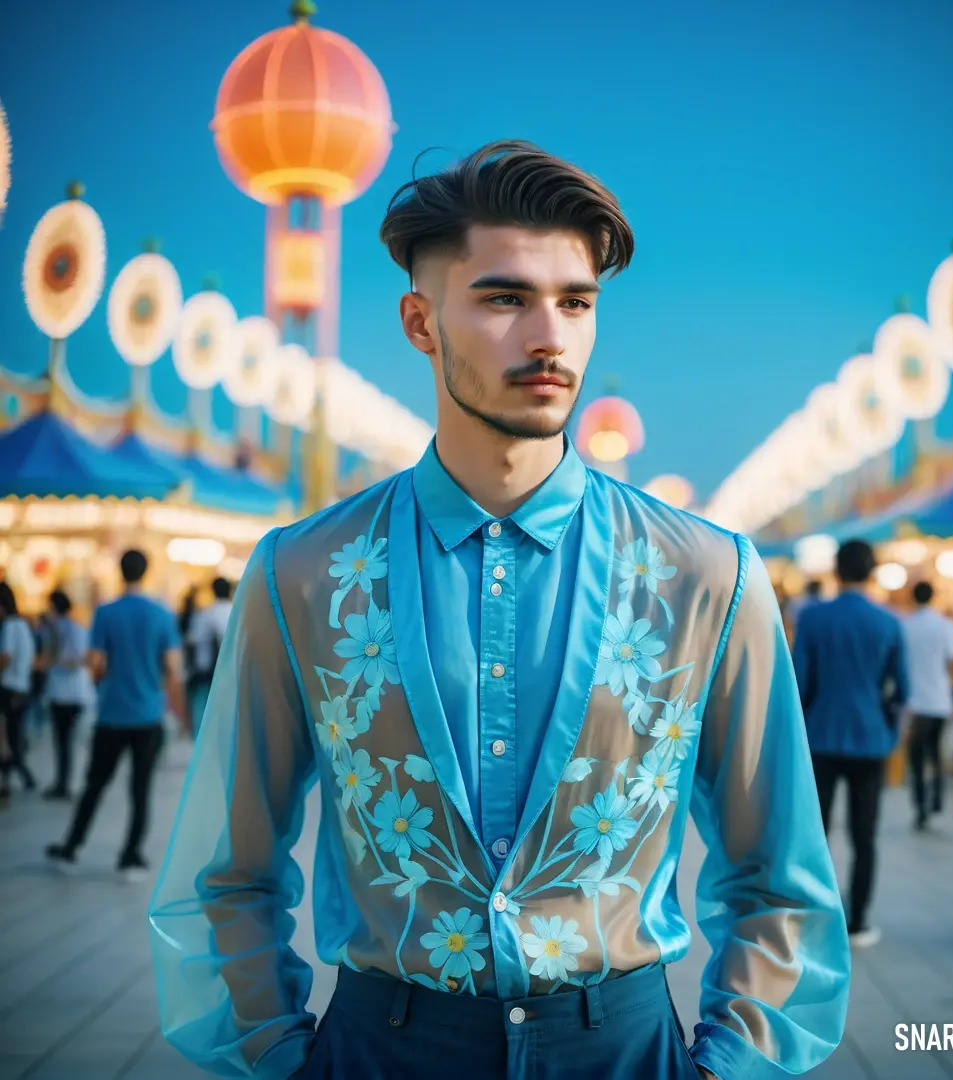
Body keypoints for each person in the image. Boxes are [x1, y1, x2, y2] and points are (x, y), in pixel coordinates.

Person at [149, 141, 850, 1080]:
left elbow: (780, 878)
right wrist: (278, 1058)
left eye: (576, 301)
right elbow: (226, 872)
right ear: (420, 322)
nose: (549, 336)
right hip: (380, 1047)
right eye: (505, 298)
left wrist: (730, 1065)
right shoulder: (306, 573)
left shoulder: (704, 574)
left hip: (625, 1046)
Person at [792, 539, 909, 949]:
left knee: (814, 834)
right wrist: (888, 729)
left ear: (836, 572)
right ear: (872, 571)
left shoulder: (812, 619)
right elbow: (902, 690)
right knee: (865, 835)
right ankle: (858, 921)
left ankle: (812, 917)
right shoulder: (889, 622)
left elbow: (799, 685)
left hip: (821, 737)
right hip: (870, 740)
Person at [46, 549, 186, 879]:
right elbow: (172, 667)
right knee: (141, 789)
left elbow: (95, 663)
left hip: (111, 714)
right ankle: (130, 856)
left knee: (95, 784)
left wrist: (102, 683)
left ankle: (71, 848)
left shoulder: (105, 613)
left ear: (121, 572)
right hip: (148, 715)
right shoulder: (162, 614)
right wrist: (175, 709)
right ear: (146, 571)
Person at [902, 581, 953, 830]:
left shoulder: (905, 625)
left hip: (913, 702)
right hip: (939, 699)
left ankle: (920, 805)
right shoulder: (946, 626)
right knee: (936, 752)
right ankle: (937, 797)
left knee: (916, 757)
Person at [41, 589, 93, 800]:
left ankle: (64, 782)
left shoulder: (61, 629)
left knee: (63, 741)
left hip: (65, 692)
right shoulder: (72, 629)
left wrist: (55, 662)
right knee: (66, 742)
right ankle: (63, 781)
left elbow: (78, 659)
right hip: (72, 693)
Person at [0, 581, 38, 800]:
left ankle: (10, 779)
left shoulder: (10, 626)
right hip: (21, 687)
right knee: (12, 737)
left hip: (8, 688)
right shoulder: (23, 626)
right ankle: (21, 775)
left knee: (6, 739)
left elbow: (6, 657)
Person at [185, 576, 233, 735]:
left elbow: (191, 642)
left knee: (202, 710)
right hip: (231, 672)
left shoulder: (205, 614)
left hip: (206, 672)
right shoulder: (236, 612)